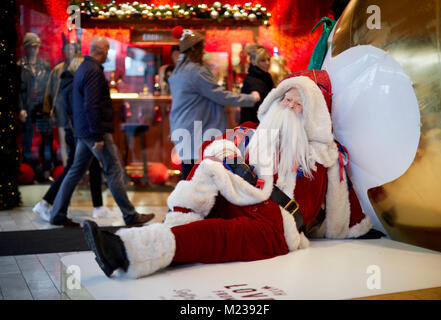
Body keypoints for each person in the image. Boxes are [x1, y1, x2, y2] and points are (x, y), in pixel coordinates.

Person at [83, 72, 380, 279]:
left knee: (218, 235)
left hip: (277, 225)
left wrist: (360, 228)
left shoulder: (323, 155)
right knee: (211, 165)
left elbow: (343, 204)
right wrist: (227, 153)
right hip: (245, 197)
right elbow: (220, 155)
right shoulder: (255, 136)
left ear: (312, 114)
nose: (288, 106)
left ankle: (126, 250)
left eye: (297, 103)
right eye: (285, 99)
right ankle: (166, 228)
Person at [49, 36, 154, 227]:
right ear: (102, 50)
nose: (108, 54)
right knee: (113, 169)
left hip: (83, 130)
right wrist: (97, 135)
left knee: (75, 170)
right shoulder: (94, 71)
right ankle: (130, 215)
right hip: (94, 131)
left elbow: (83, 104)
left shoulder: (83, 68)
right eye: (108, 50)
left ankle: (57, 213)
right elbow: (92, 105)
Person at [168, 28, 260, 180]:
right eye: (200, 48)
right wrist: (251, 98)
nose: (203, 52)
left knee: (190, 175)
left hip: (185, 129)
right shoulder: (196, 72)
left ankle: (187, 203)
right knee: (197, 177)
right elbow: (220, 96)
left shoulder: (179, 70)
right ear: (194, 49)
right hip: (196, 132)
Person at [33, 57, 114, 222]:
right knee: (73, 170)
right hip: (78, 134)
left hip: (79, 133)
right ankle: (46, 203)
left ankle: (97, 207)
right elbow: (78, 111)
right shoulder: (72, 86)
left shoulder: (69, 84)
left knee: (85, 169)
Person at [18, 32, 51, 181]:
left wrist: (50, 107)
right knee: (28, 140)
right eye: (32, 47)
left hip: (42, 107)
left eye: (37, 47)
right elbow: (17, 90)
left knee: (46, 140)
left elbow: (50, 88)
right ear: (26, 48)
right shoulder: (20, 66)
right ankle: (28, 172)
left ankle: (45, 170)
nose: (34, 50)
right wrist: (20, 108)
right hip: (28, 107)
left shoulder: (44, 65)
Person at [42, 34, 78, 167]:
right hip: (61, 109)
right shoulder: (57, 70)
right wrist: (49, 110)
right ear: (63, 51)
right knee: (63, 141)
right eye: (67, 49)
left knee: (78, 140)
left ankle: (77, 170)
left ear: (75, 51)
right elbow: (50, 91)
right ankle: (65, 168)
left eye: (72, 49)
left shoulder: (79, 69)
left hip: (75, 110)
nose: (69, 52)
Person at [240, 44, 274, 124]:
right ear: (253, 62)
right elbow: (255, 91)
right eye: (263, 60)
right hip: (254, 125)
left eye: (268, 59)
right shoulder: (252, 79)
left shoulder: (265, 77)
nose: (267, 63)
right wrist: (255, 94)